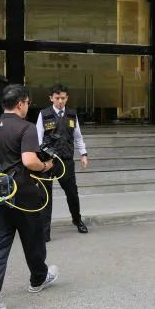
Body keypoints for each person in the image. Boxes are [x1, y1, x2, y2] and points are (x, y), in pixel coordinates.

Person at [0, 84, 58, 309]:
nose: (28, 106)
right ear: (20, 103)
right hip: (24, 193)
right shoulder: (26, 128)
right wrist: (45, 165)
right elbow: (30, 161)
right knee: (33, 238)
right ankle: (38, 279)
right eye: (27, 103)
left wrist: (1, 172)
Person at [36, 84, 89, 240]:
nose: (60, 101)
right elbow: (38, 138)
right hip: (47, 162)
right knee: (45, 197)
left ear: (67, 98)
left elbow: (78, 137)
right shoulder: (44, 114)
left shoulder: (72, 114)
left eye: (63, 98)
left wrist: (83, 154)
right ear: (51, 98)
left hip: (66, 161)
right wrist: (40, 159)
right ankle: (44, 231)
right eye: (57, 98)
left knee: (72, 193)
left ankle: (77, 220)